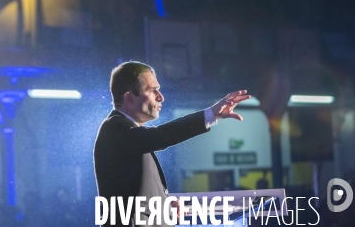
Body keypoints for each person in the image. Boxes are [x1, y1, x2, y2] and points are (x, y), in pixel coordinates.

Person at [93, 61, 250, 227]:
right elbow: (159, 136)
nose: (161, 97)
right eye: (152, 90)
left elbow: (134, 193)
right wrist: (211, 114)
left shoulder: (128, 135)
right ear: (129, 98)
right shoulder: (115, 129)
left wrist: (165, 204)